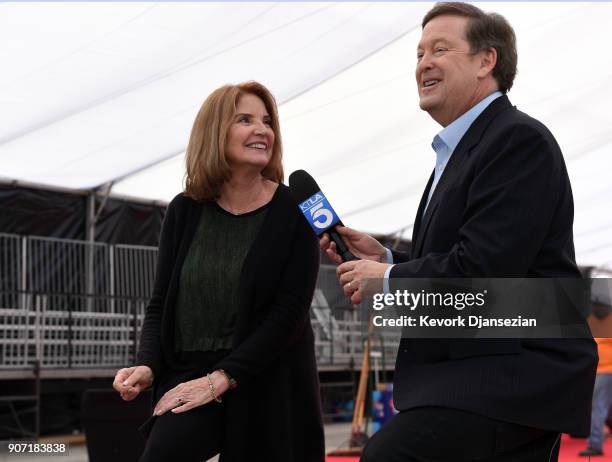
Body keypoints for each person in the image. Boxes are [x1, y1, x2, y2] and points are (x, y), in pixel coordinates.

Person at [320, 3, 597, 461]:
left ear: (486, 61)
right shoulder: (463, 148)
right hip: (473, 380)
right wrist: (390, 262)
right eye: (418, 52)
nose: (423, 63)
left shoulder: (516, 140)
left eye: (440, 49)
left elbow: (483, 273)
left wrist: (386, 281)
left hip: (509, 378)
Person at [112, 81, 324, 462]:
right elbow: (161, 303)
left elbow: (289, 315)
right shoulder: (185, 209)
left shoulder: (297, 208)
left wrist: (222, 379)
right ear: (215, 131)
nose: (262, 130)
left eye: (266, 121)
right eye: (245, 119)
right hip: (189, 375)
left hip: (265, 379)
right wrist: (147, 362)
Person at [580, 338, 612, 457]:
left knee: (597, 407)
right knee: (604, 405)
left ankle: (595, 444)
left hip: (604, 368)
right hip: (602, 368)